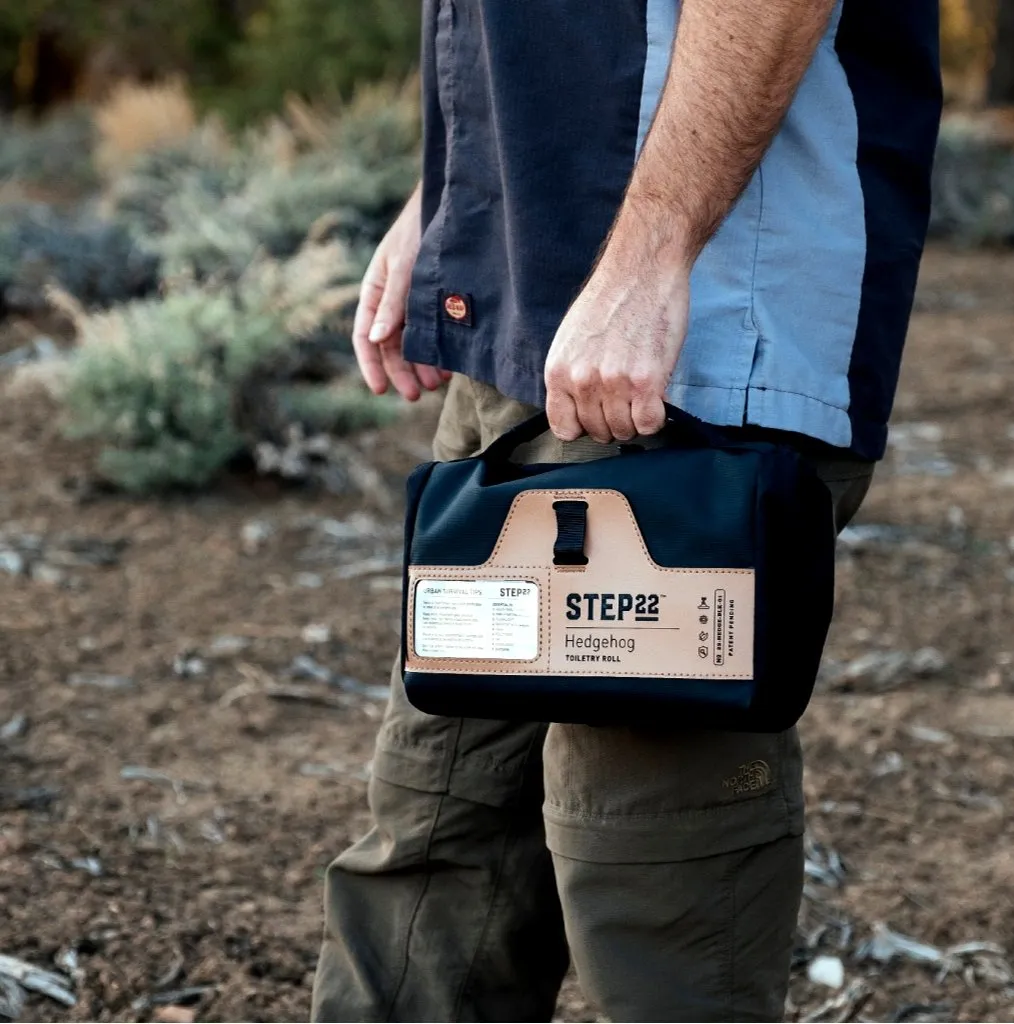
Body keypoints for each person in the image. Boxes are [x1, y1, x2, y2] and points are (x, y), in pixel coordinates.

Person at [312, 0, 942, 1019]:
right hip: (529, 306)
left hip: (692, 332)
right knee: (438, 832)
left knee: (654, 880)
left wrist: (652, 255)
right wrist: (456, 196)